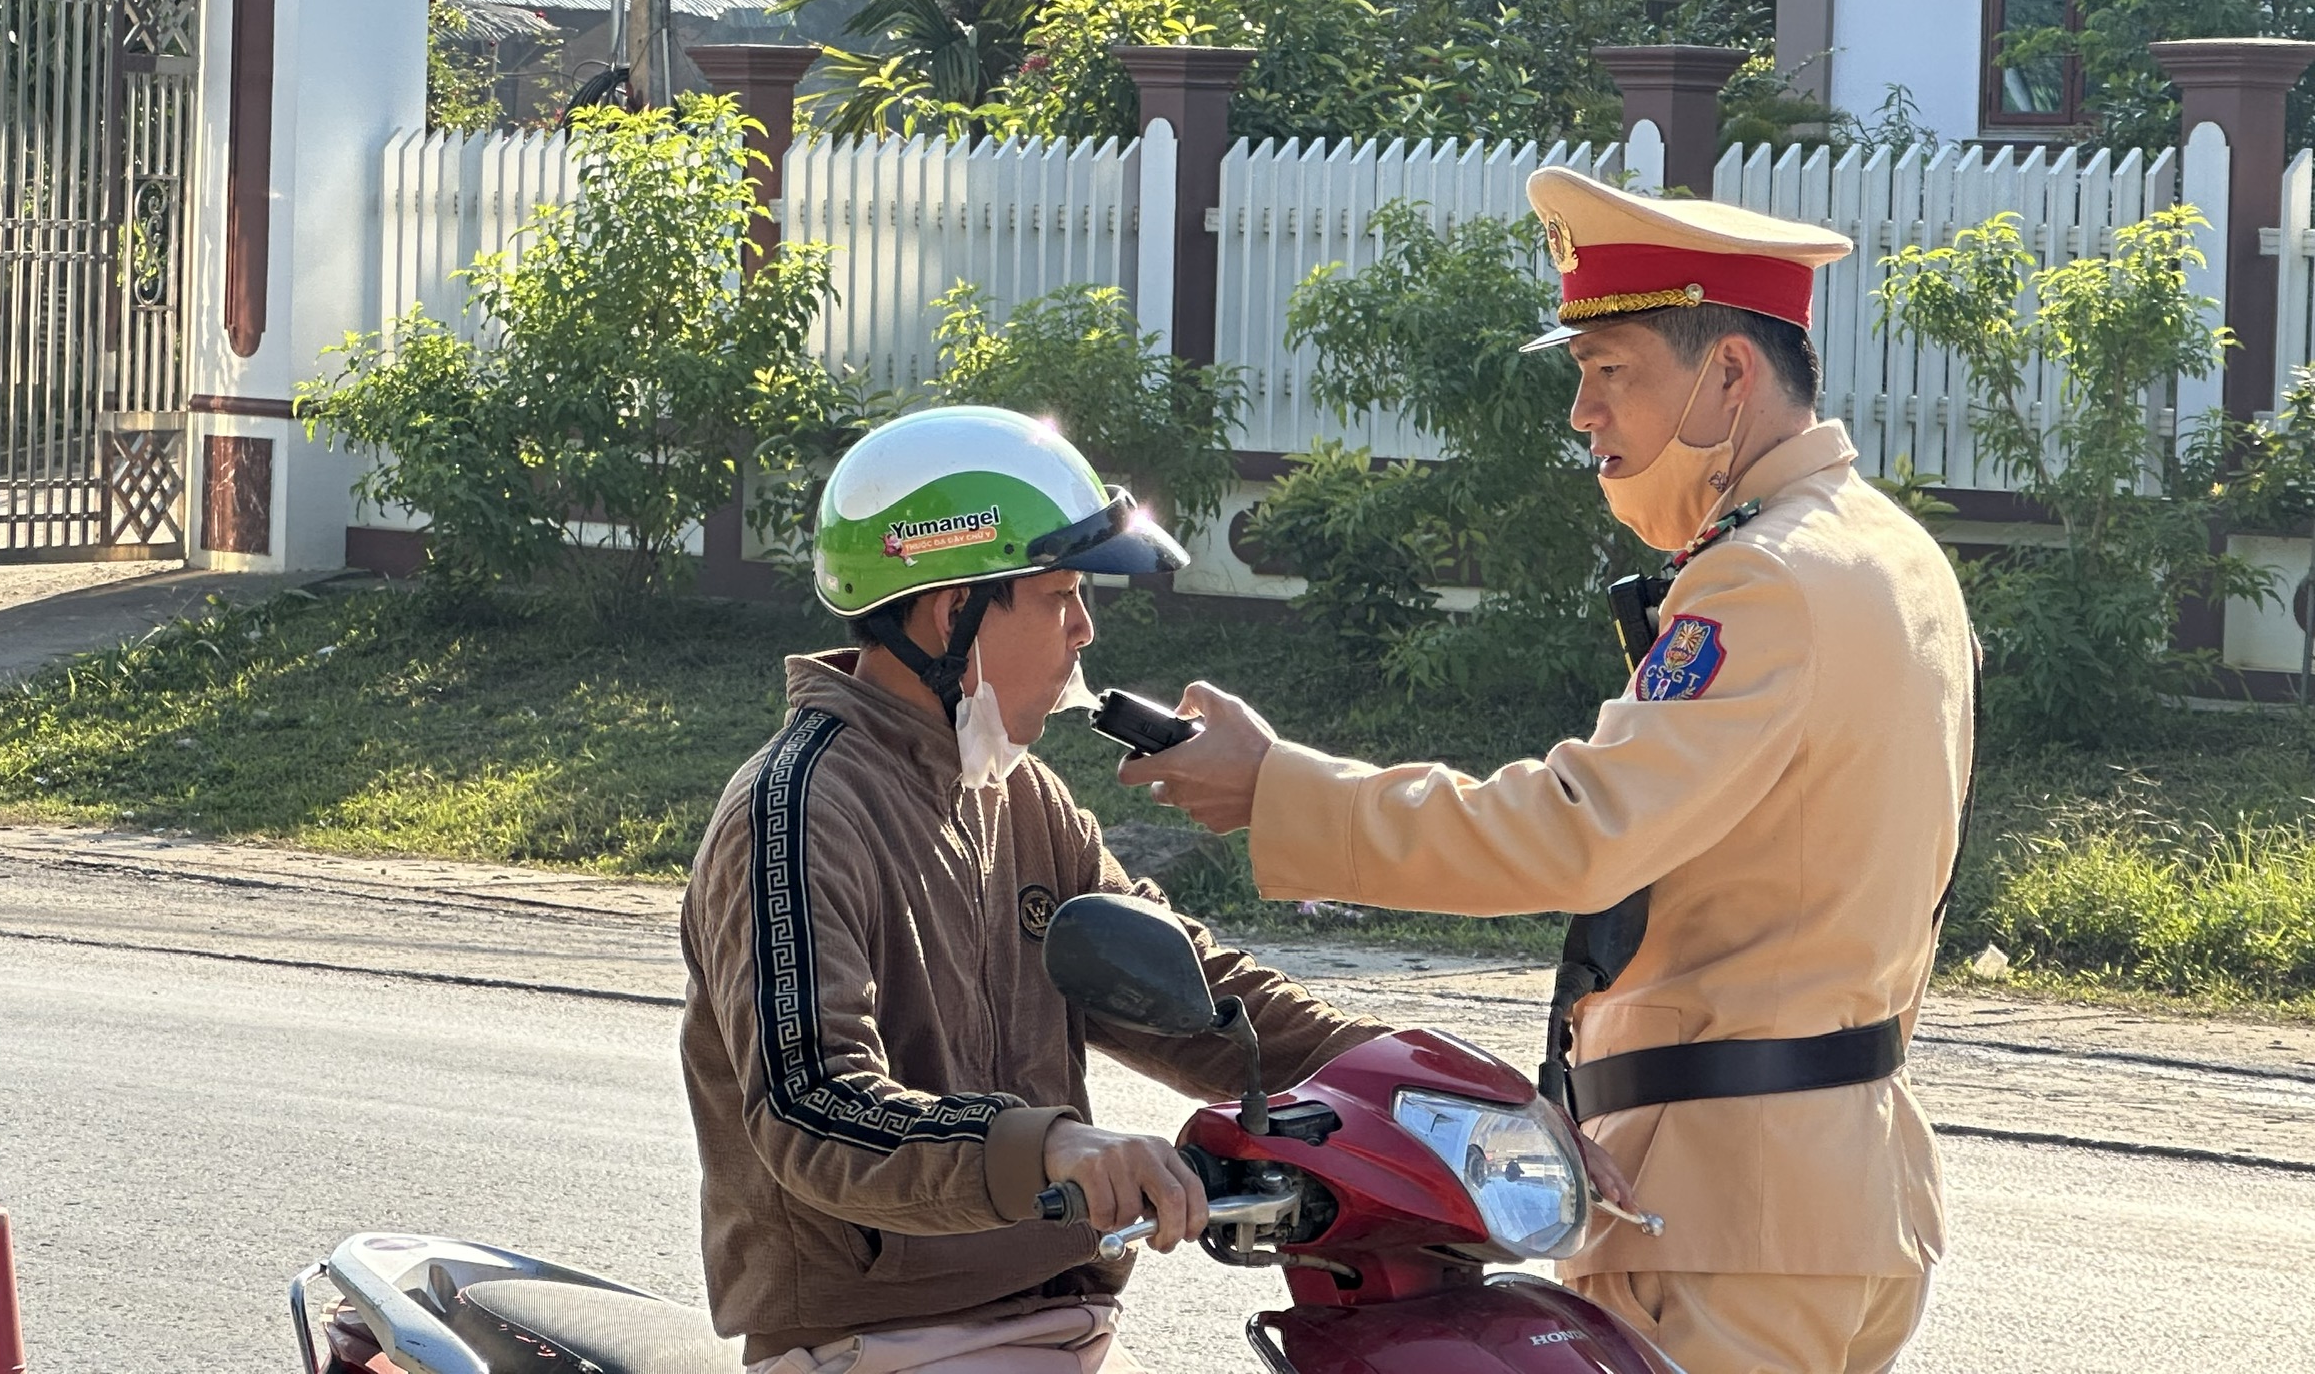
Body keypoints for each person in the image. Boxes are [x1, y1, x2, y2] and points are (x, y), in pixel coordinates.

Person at [1124, 167, 1974, 1374]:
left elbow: (1578, 829)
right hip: (1820, 1191)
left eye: (1610, 370)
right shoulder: (1885, 549)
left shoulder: (1766, 579)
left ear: (1729, 374)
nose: (1582, 413)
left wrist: (1281, 791)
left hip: (1730, 1206)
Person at [679, 404, 1384, 1373]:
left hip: (1057, 1323)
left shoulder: (1019, 794)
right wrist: (1054, 1150)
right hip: (886, 1343)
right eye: (1059, 597)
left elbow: (1188, 994)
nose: (1085, 630)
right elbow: (814, 1109)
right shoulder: (796, 809)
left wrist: (1401, 1074)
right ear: (949, 611)